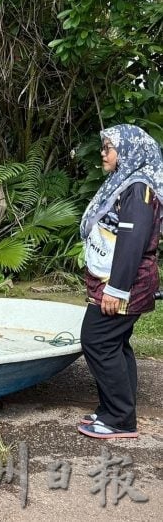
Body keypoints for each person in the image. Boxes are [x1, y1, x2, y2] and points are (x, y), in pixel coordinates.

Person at [77, 124, 163, 439]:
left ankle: (120, 419)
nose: (103, 153)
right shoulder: (126, 182)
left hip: (125, 282)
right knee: (115, 343)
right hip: (118, 279)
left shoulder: (139, 188)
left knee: (96, 340)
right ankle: (114, 410)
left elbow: (132, 242)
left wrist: (116, 290)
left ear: (128, 151)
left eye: (109, 148)